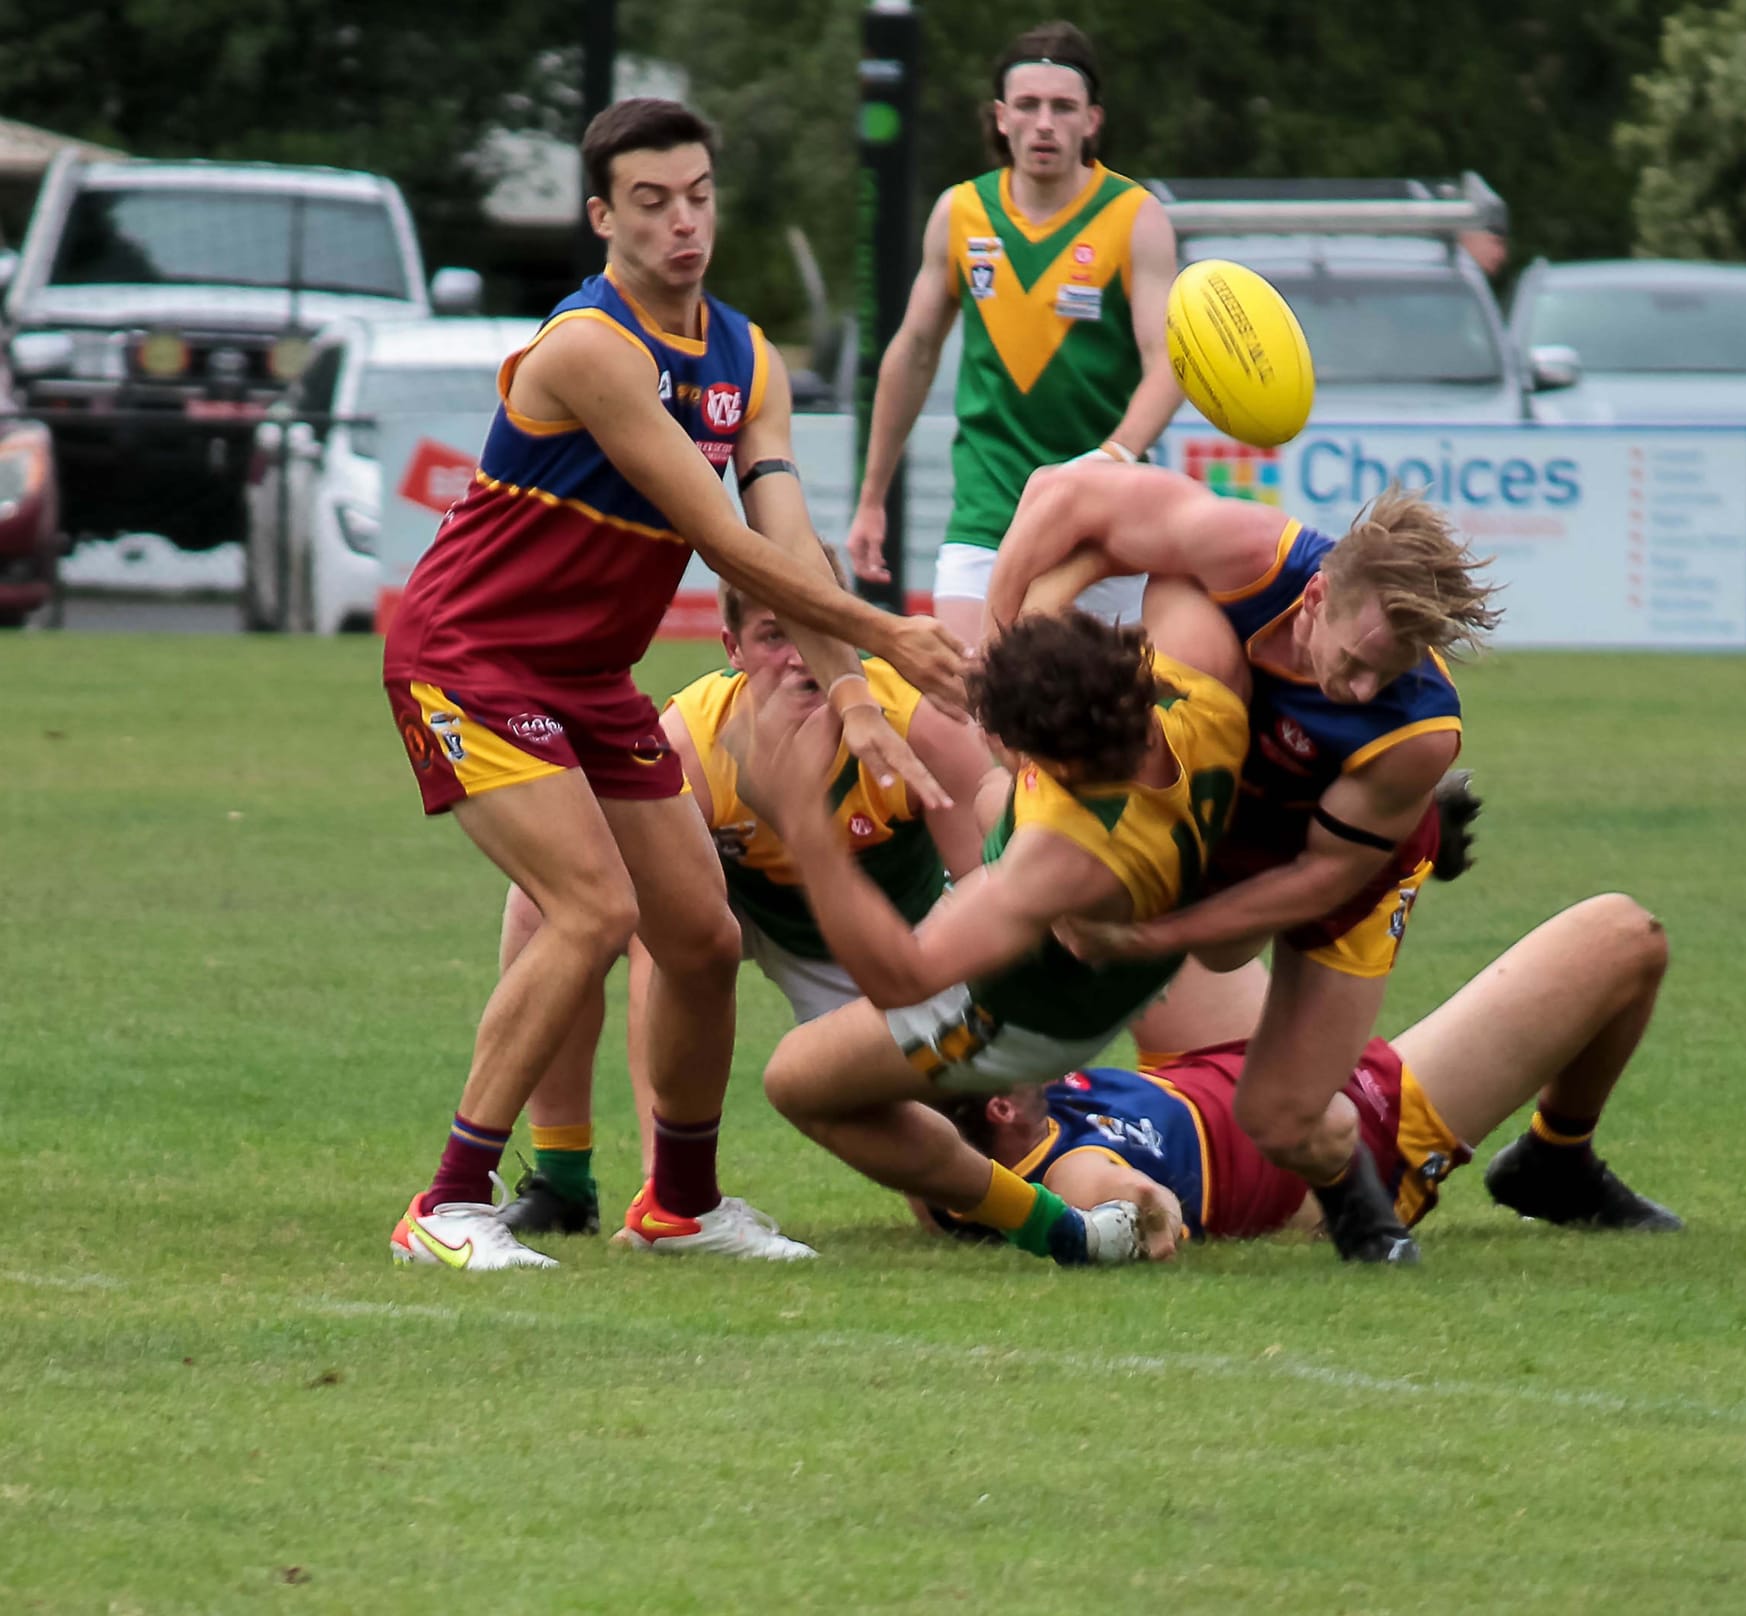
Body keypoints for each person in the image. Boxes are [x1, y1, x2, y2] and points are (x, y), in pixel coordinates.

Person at [383, 99, 967, 1272]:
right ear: (602, 216)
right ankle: (446, 1203)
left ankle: (681, 1202)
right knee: (591, 911)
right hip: (469, 658)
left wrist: (852, 693)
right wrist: (888, 636)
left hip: (590, 677)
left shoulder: (745, 356)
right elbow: (719, 540)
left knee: (698, 938)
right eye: (650, 202)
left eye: (697, 194)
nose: (682, 221)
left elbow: (788, 544)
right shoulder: (591, 347)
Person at [983, 464, 1501, 1264]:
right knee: (1176, 606)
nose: (1364, 689)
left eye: (1389, 673)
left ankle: (1366, 1216)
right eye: (1358, 661)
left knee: (1281, 1118)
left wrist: (1158, 941)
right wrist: (1001, 658)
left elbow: (1316, 883)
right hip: (1236, 796)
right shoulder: (1250, 554)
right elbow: (1061, 493)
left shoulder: (1416, 732)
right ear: (1319, 597)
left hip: (1345, 863)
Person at [735, 581, 1252, 1266]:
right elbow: (1163, 556)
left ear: (1056, 765)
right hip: (1123, 952)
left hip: (1023, 1017)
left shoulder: (1063, 853)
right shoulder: (1203, 693)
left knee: (797, 1080)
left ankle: (1054, 1227)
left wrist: (804, 825)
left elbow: (902, 978)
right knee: (989, 802)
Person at [496, 560, 999, 1245]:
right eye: (772, 636)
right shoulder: (692, 741)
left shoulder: (917, 719)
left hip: (885, 945)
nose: (798, 658)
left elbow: (990, 896)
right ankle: (605, 1184)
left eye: (818, 627)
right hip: (740, 906)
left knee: (971, 1183)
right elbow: (634, 897)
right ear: (732, 651)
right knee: (552, 903)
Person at [921, 893, 1683, 1249]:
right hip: (1335, 1131)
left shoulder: (994, 1135)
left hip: (1206, 1064)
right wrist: (1133, 1216)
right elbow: (1132, 1205)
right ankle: (1556, 1160)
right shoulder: (1068, 1170)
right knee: (1623, 934)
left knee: (1127, 891)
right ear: (998, 1110)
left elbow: (920, 1162)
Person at [844, 20, 1185, 642]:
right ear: (1001, 118)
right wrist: (872, 497)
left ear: (1093, 121)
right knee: (976, 710)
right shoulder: (961, 212)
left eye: (1063, 107)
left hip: (1102, 527)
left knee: (1090, 728)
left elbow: (1170, 361)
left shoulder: (1135, 217)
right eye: (1028, 106)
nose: (1045, 123)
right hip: (986, 519)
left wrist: (1112, 458)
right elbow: (913, 353)